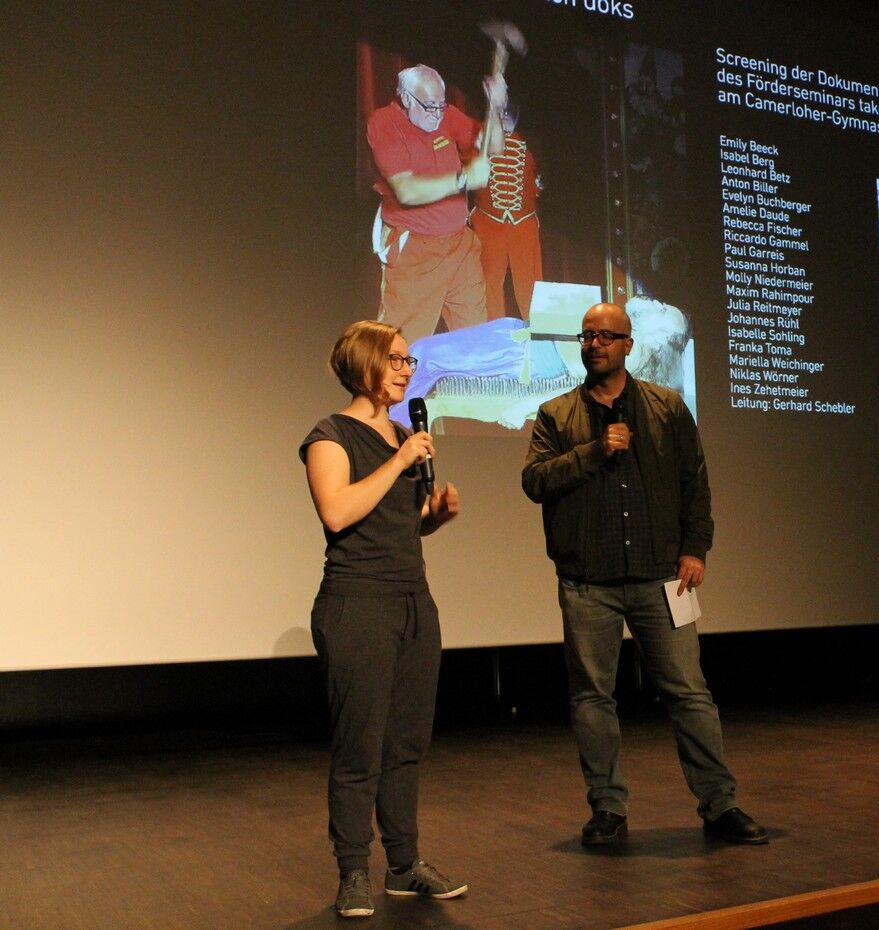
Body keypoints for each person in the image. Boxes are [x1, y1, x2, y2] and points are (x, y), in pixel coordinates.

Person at [521, 302, 768, 847]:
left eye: (606, 336)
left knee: (689, 693)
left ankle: (720, 804)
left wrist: (695, 548)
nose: (595, 344)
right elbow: (534, 481)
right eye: (587, 336)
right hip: (589, 582)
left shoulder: (667, 407)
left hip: (662, 579)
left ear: (628, 345)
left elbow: (694, 484)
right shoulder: (556, 414)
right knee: (592, 699)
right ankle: (608, 809)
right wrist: (594, 451)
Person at [300, 320, 466, 918]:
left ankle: (404, 864)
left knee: (406, 744)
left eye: (407, 361)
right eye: (395, 359)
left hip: (412, 601)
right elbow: (338, 512)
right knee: (360, 747)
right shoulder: (330, 436)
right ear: (364, 364)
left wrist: (434, 515)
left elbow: (397, 522)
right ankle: (352, 871)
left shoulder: (402, 435)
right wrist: (399, 461)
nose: (405, 370)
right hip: (357, 603)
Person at [367, 64, 507, 345]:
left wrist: (496, 108)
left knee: (474, 340)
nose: (437, 115)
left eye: (441, 106)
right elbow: (406, 191)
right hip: (415, 251)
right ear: (406, 98)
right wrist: (463, 179)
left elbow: (495, 146)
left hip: (459, 246)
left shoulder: (447, 115)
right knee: (401, 346)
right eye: (430, 107)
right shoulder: (383, 124)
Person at [471, 101, 543, 321]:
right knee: (489, 280)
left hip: (523, 222)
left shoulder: (531, 144)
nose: (504, 119)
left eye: (508, 115)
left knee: (529, 281)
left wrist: (536, 191)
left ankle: (537, 329)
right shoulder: (479, 141)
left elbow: (540, 177)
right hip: (489, 222)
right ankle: (492, 330)